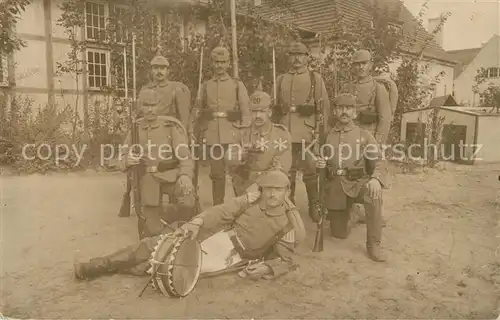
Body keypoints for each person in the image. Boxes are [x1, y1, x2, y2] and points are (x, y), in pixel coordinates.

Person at [73, 170, 306, 281]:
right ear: (262, 188)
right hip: (216, 236)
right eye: (269, 189)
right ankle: (98, 265)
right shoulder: (250, 200)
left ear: (287, 191)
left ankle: (113, 267)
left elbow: (286, 260)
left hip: (233, 256)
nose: (273, 194)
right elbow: (221, 212)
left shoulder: (288, 223)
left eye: (279, 190)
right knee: (155, 244)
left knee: (169, 267)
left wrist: (267, 268)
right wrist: (197, 222)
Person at [312, 93, 387, 262]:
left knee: (373, 194)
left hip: (357, 183)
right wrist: (318, 164)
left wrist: (375, 178)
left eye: (348, 108)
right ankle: (355, 214)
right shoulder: (326, 136)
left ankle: (373, 244)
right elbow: (314, 159)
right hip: (335, 187)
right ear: (335, 112)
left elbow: (379, 160)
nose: (344, 111)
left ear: (355, 113)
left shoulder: (364, 135)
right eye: (340, 108)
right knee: (339, 235)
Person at [119, 89, 197, 239]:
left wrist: (186, 175)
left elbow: (185, 156)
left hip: (170, 176)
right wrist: (126, 161)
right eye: (146, 105)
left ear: (158, 105)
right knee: (151, 225)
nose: (149, 109)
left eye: (153, 105)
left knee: (187, 198)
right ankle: (153, 234)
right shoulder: (135, 129)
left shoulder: (169, 126)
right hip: (147, 179)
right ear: (140, 106)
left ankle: (184, 234)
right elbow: (121, 157)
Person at [273, 41, 330, 222]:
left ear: (307, 57)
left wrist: (321, 133)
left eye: (300, 55)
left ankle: (314, 204)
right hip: (285, 132)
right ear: (288, 57)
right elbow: (274, 108)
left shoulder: (315, 78)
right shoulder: (280, 79)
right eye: (292, 55)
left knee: (310, 170)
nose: (296, 59)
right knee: (287, 170)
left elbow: (324, 108)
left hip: (307, 133)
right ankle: (288, 205)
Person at [192, 46, 251, 206]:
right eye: (217, 62)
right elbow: (198, 110)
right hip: (212, 135)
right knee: (217, 173)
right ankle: (218, 206)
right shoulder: (205, 86)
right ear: (212, 63)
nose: (219, 66)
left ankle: (241, 205)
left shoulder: (237, 85)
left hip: (233, 134)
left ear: (228, 64)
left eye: (223, 62)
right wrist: (194, 129)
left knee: (236, 172)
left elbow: (246, 111)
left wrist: (245, 135)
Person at [226, 91, 292, 196]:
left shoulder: (281, 134)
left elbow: (282, 167)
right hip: (244, 188)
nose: (257, 116)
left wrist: (258, 185)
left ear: (269, 112)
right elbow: (229, 158)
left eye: (262, 111)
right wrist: (241, 155)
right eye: (254, 111)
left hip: (271, 188)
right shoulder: (242, 132)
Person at [342, 49, 393, 145]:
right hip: (348, 137)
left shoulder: (378, 88)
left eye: (364, 63)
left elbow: (385, 119)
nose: (360, 67)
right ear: (353, 67)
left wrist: (378, 143)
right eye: (357, 64)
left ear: (370, 65)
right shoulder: (347, 88)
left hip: (368, 138)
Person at [137, 54, 192, 134]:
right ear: (151, 71)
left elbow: (184, 117)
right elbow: (139, 114)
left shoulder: (176, 88)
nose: (159, 71)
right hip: (149, 132)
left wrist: (185, 133)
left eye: (162, 68)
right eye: (155, 68)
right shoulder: (145, 89)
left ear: (168, 71)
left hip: (170, 132)